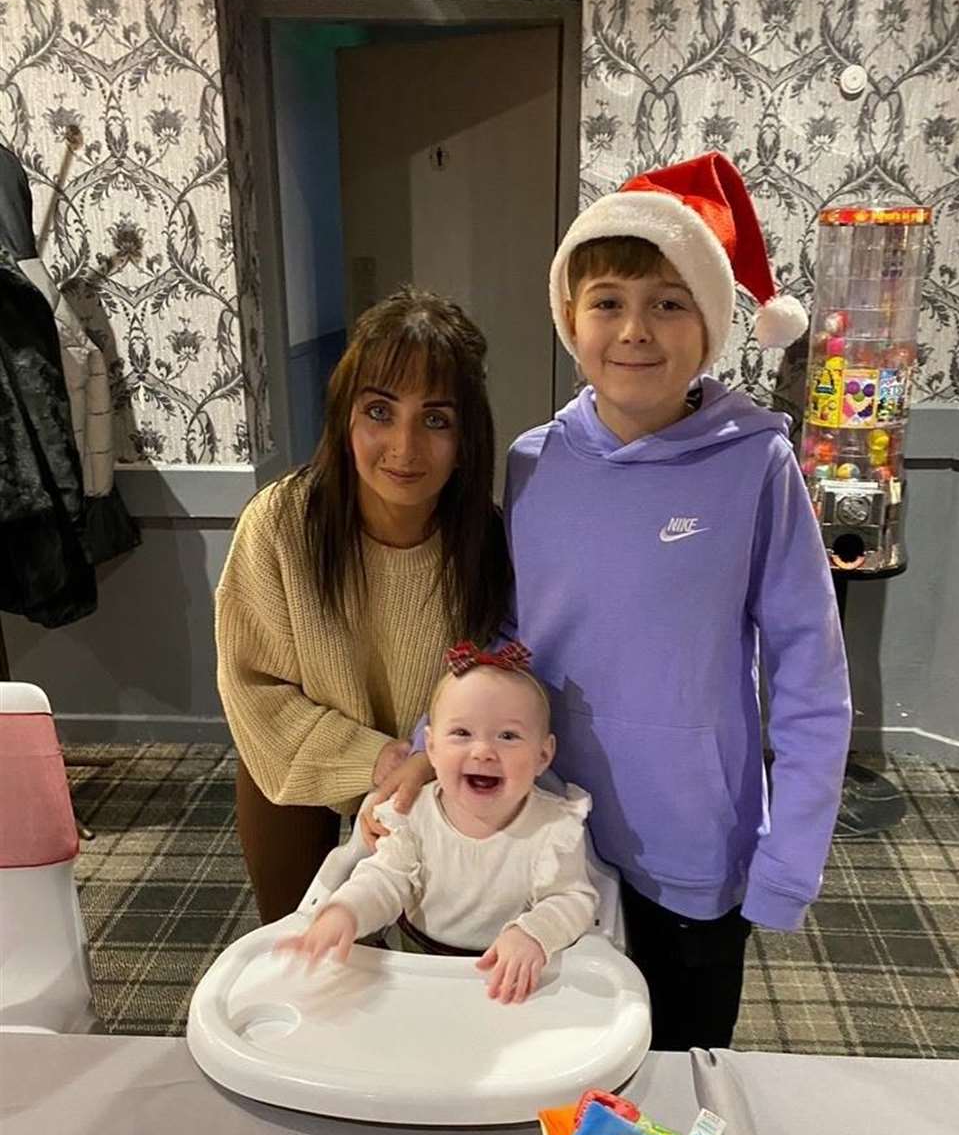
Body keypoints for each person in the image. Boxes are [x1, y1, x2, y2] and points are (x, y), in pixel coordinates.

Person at [368, 152, 851, 1050]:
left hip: (691, 842)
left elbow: (809, 673)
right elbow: (510, 637)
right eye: (608, 302)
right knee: (546, 1049)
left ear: (709, 324)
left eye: (669, 302)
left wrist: (792, 852)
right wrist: (437, 748)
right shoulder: (534, 461)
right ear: (569, 318)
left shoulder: (756, 465)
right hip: (537, 823)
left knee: (677, 1063)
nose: (636, 329)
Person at [215, 287, 511, 923]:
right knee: (303, 950)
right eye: (380, 411)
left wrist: (427, 762)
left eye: (436, 420)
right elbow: (255, 689)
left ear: (466, 439)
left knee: (433, 962)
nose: (404, 448)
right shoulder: (280, 524)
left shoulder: (490, 544)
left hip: (437, 775)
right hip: (299, 765)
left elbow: (502, 687)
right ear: (345, 416)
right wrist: (379, 758)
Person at [278, 645, 598, 1004]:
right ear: (430, 748)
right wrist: (346, 911)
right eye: (461, 733)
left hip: (510, 980)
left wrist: (534, 934)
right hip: (415, 971)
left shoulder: (554, 827)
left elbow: (573, 899)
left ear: (543, 754)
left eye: (507, 736)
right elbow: (384, 880)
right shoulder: (413, 815)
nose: (482, 751)